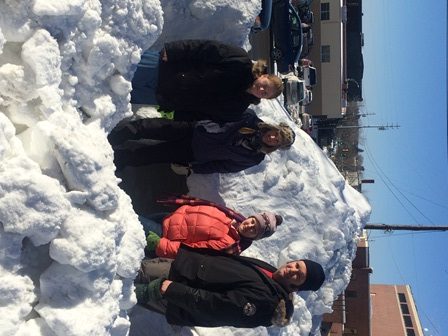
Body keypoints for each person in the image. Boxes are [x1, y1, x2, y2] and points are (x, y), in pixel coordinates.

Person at [134, 245, 326, 328]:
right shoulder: (271, 274)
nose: (292, 269)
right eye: (297, 265)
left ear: (297, 287)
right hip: (182, 270)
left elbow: (216, 307)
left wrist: (172, 290)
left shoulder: (267, 303)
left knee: (122, 278)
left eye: (298, 276)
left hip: (175, 287)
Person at [131, 39, 284, 122]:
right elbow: (204, 48)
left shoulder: (235, 110)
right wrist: (173, 51)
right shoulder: (240, 60)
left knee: (113, 93)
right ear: (264, 76)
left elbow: (199, 115)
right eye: (265, 85)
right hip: (162, 68)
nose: (261, 90)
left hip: (160, 97)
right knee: (116, 68)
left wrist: (171, 113)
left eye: (265, 94)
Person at [108, 108, 296, 173]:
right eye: (276, 134)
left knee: (151, 155)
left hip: (193, 153)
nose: (272, 138)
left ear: (276, 147)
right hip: (194, 129)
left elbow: (224, 166)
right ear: (274, 128)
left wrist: (196, 168)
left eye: (276, 142)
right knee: (151, 127)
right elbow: (218, 113)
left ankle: (118, 159)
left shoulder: (254, 158)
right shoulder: (249, 118)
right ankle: (115, 137)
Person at [140, 195, 283, 258]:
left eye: (255, 230)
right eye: (253, 221)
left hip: (162, 235)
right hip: (167, 218)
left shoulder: (229, 244)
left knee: (128, 222)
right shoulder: (232, 216)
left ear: (255, 238)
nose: (250, 226)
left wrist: (160, 244)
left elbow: (191, 252)